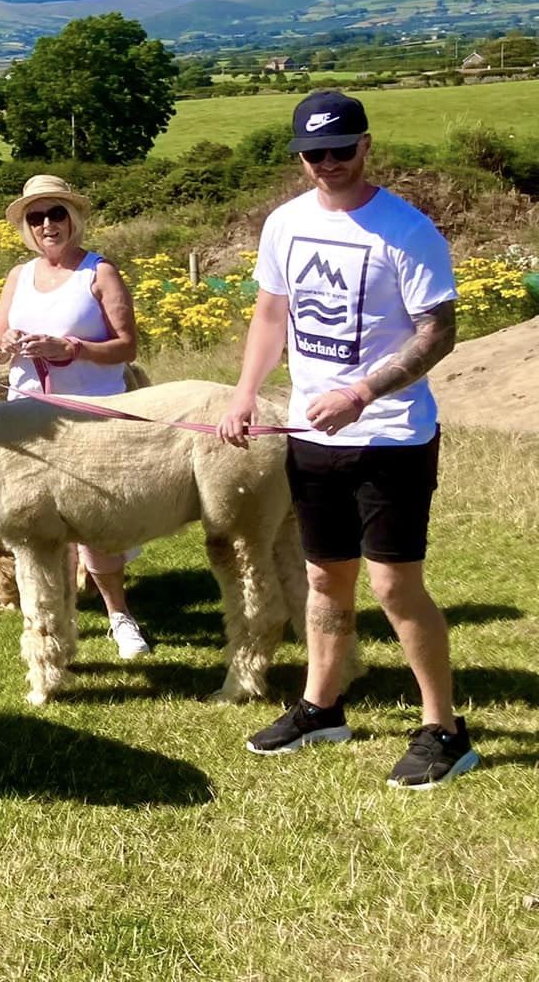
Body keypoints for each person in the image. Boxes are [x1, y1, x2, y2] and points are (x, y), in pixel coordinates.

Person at [221, 90, 475, 789]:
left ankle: (444, 729)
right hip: (312, 435)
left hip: (392, 436)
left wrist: (361, 394)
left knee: (394, 586)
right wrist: (245, 393)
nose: (327, 163)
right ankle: (321, 707)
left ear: (366, 146)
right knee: (323, 578)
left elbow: (438, 332)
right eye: (313, 153)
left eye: (340, 149)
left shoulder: (408, 231)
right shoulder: (285, 224)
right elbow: (271, 313)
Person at [0, 175, 151, 660]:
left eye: (55, 213)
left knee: (95, 518)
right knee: (33, 519)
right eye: (36, 217)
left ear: (73, 218)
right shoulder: (19, 276)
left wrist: (72, 348)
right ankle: (50, 620)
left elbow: (127, 346)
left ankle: (120, 615)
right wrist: (6, 344)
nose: (46, 224)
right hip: (27, 415)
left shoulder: (99, 272)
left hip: (90, 414)